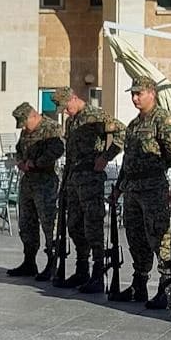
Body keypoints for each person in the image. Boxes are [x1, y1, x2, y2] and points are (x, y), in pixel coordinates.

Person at [109, 77, 171, 307]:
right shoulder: (133, 124)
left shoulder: (162, 119)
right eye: (132, 94)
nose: (134, 98)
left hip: (153, 189)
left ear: (152, 93)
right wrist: (119, 189)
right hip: (132, 190)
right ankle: (139, 284)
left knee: (160, 237)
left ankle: (167, 288)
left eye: (139, 93)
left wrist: (155, 167)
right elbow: (127, 162)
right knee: (136, 238)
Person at [55, 86, 125, 293]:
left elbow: (122, 132)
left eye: (66, 106)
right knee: (74, 225)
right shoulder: (71, 122)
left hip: (91, 178)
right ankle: (82, 268)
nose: (65, 111)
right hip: (74, 179)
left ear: (74, 98)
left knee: (93, 225)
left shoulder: (95, 116)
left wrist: (106, 156)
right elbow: (70, 156)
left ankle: (98, 271)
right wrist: (64, 184)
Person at [5, 102, 65, 279]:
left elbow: (57, 150)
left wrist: (36, 163)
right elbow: (18, 149)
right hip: (28, 182)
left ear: (33, 116)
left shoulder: (51, 128)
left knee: (49, 224)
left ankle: (52, 263)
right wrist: (21, 161)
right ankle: (29, 261)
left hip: (45, 182)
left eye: (24, 123)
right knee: (26, 223)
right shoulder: (26, 131)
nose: (23, 127)